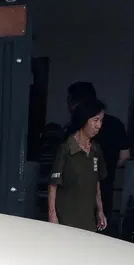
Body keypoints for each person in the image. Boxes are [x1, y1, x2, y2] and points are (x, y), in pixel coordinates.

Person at [66, 82, 130, 220]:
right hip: (105, 189)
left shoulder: (75, 127)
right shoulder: (116, 124)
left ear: (76, 104)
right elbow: (125, 156)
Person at [48, 99, 108, 232]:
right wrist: (52, 215)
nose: (99, 125)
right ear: (83, 120)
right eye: (95, 120)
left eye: (101, 121)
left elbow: (96, 181)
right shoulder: (66, 149)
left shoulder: (96, 150)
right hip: (66, 220)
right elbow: (53, 185)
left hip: (88, 221)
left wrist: (100, 210)